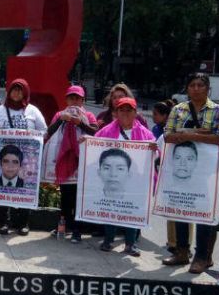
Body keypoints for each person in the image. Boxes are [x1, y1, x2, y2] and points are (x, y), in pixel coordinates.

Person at [162, 72, 219, 274]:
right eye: (192, 85)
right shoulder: (178, 110)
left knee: (203, 213)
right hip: (181, 171)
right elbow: (167, 136)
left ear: (208, 88)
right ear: (187, 88)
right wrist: (203, 133)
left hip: (207, 174)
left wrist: (188, 134)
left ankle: (201, 257)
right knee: (181, 208)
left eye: (200, 85)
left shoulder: (217, 110)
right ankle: (182, 251)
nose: (196, 88)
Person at [91, 97, 156, 257]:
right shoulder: (106, 131)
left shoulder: (145, 133)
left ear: (135, 113)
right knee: (110, 207)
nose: (125, 113)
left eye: (129, 110)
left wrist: (155, 148)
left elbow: (156, 154)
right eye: (122, 110)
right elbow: (93, 145)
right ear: (116, 113)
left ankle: (130, 243)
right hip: (113, 180)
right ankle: (108, 240)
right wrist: (84, 141)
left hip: (134, 181)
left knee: (131, 211)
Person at [0, 79, 46, 235]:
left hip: (25, 159)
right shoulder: (0, 110)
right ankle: (4, 222)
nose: (17, 93)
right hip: (4, 157)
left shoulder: (32, 111)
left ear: (25, 92)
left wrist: (30, 138)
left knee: (24, 189)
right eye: (14, 89)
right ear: (9, 92)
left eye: (20, 90)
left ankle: (23, 223)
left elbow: (43, 131)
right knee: (3, 189)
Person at [45, 85, 97, 242]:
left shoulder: (88, 115)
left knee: (78, 197)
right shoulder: (60, 114)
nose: (74, 100)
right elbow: (50, 132)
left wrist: (79, 122)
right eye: (71, 97)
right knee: (65, 196)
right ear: (66, 99)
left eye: (77, 98)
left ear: (82, 100)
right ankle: (62, 226)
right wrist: (62, 120)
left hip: (81, 162)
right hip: (64, 160)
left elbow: (95, 132)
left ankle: (77, 230)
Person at [151, 99, 187, 254]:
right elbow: (155, 147)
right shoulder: (166, 134)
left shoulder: (193, 134)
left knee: (186, 214)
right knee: (172, 211)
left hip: (186, 180)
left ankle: (184, 246)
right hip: (171, 178)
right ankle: (174, 243)